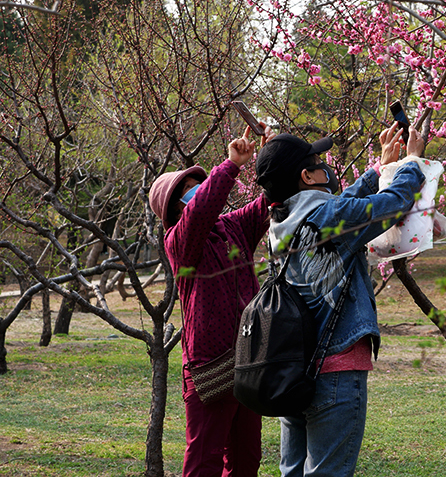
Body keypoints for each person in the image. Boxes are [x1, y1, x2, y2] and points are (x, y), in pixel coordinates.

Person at [254, 122, 425, 477]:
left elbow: (340, 207)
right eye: (319, 162)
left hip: (292, 369)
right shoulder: (328, 217)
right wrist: (412, 162)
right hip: (335, 370)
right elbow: (392, 204)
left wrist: (378, 168)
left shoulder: (281, 224)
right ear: (307, 175)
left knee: (294, 472)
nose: (325, 167)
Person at [149, 125, 273, 477]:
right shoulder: (180, 241)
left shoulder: (232, 227)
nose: (197, 193)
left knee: (246, 459)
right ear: (173, 210)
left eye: (197, 186)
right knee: (204, 461)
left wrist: (268, 159)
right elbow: (200, 213)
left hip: (247, 361)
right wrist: (230, 166)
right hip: (210, 366)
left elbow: (268, 202)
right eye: (187, 192)